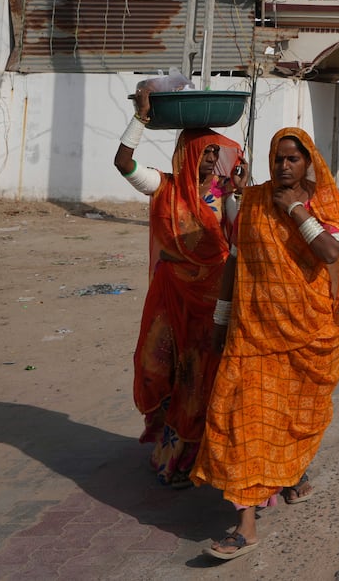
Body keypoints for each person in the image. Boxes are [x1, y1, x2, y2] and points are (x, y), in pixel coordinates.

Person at [192, 127, 339, 560]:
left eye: (293, 159)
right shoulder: (254, 202)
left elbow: (330, 253)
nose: (284, 166)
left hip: (307, 333)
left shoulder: (321, 202)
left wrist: (298, 212)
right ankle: (244, 526)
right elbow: (235, 260)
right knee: (242, 419)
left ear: (308, 163)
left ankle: (291, 471)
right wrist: (222, 319)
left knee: (294, 414)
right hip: (252, 333)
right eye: (279, 158)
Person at [114, 87, 243, 489]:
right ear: (186, 154)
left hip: (210, 300)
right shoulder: (162, 186)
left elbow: (237, 237)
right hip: (170, 296)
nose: (209, 159)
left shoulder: (224, 195)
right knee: (156, 368)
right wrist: (141, 117)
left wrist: (240, 190)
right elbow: (123, 163)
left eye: (213, 152)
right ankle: (169, 445)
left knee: (197, 376)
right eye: (202, 152)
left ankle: (187, 459)